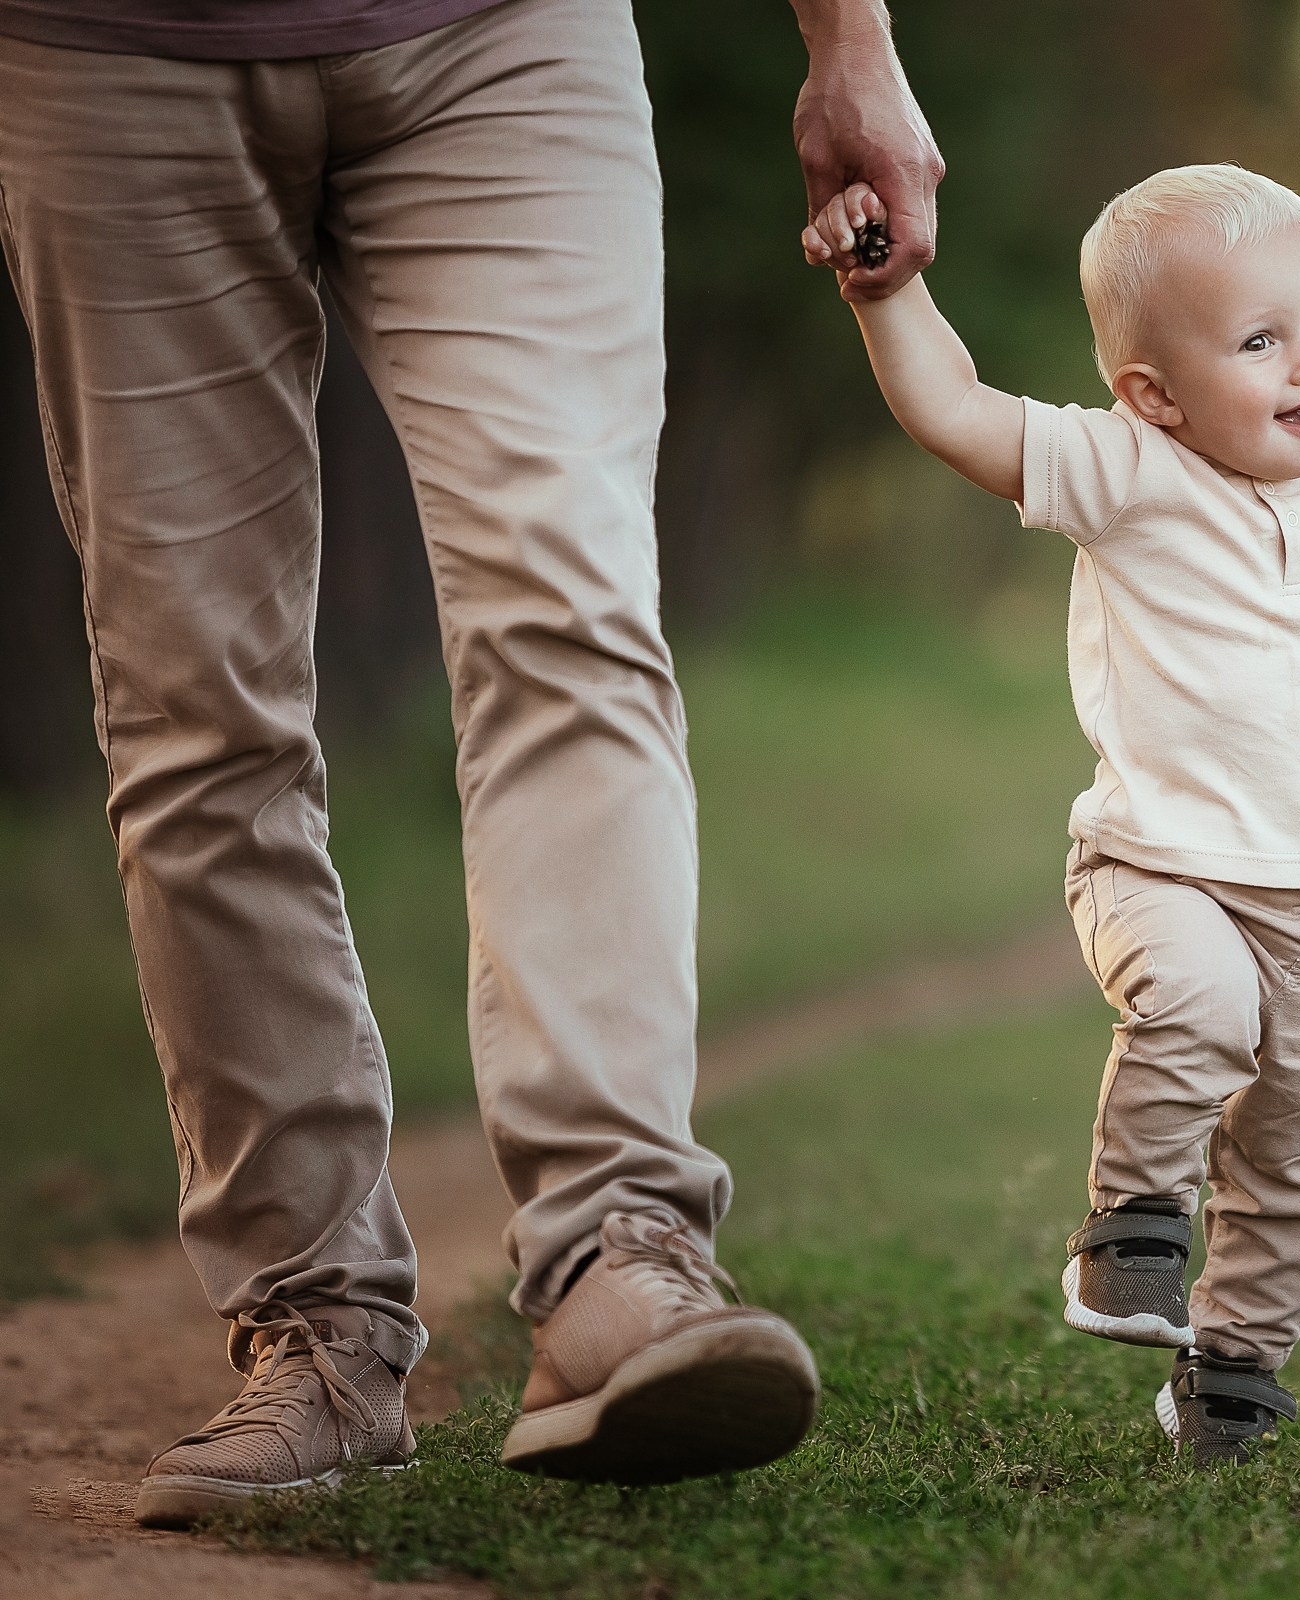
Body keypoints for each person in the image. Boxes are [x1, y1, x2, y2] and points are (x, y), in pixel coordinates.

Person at [0, 0, 939, 1520]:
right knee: (193, 704)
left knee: (569, 607)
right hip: (103, 60)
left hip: (502, 35)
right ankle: (315, 1322)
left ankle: (619, 1251)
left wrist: (850, 39)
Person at [800, 164, 1300, 1463]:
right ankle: (1130, 1230)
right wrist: (888, 296)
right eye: (1259, 341)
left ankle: (1233, 1372)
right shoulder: (1125, 468)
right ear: (1157, 393)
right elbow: (956, 412)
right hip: (1160, 868)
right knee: (1198, 1006)